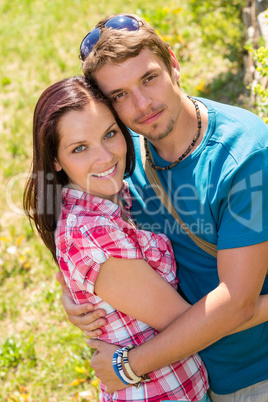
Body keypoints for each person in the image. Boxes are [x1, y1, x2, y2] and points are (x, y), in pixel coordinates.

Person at [58, 13, 268, 401]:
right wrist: (72, 292)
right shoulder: (120, 157)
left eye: (149, 78)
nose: (142, 105)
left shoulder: (243, 155)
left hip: (247, 373)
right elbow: (83, 231)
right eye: (120, 95)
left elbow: (237, 302)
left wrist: (129, 365)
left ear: (172, 62)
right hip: (182, 375)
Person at [24, 75, 213, 401]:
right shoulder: (93, 233)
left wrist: (70, 291)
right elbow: (189, 326)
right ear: (55, 159)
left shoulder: (106, 195)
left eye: (110, 134)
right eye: (80, 148)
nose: (105, 157)